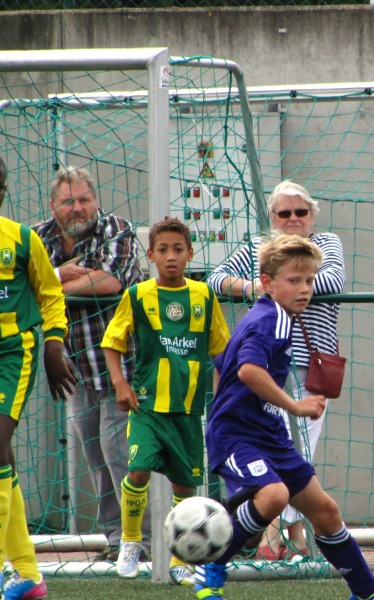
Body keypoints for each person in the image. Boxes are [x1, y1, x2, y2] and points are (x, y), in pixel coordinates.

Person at [197, 233, 374, 600]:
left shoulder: (273, 316)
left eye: (309, 280)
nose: (305, 289)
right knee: (274, 495)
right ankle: (210, 564)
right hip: (238, 436)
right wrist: (294, 406)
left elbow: (224, 366)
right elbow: (249, 371)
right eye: (294, 280)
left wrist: (234, 402)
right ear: (266, 283)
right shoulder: (272, 320)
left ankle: (368, 593)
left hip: (266, 434)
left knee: (326, 512)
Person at [207, 179, 345, 558]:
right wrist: (259, 286)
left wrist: (290, 278)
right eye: (284, 213)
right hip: (268, 365)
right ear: (272, 217)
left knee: (301, 455)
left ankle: (285, 533)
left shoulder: (326, 243)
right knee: (281, 453)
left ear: (312, 214)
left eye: (301, 211)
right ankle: (274, 534)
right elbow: (215, 278)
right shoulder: (258, 249)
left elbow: (333, 279)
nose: (293, 219)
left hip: (309, 366)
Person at [101, 217, 230, 584]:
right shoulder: (138, 296)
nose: (170, 257)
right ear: (151, 255)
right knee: (138, 469)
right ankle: (130, 542)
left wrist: (221, 397)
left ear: (189, 253)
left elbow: (222, 352)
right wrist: (120, 384)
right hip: (146, 405)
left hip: (187, 411)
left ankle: (180, 561)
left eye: (177, 249)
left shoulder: (204, 296)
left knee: (185, 489)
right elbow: (113, 342)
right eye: (163, 250)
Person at [32, 166, 147, 563]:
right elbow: (24, 285)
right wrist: (60, 275)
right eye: (68, 202)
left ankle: (143, 541)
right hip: (75, 368)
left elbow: (110, 282)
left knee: (123, 454)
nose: (77, 209)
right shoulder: (37, 236)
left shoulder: (117, 229)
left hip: (124, 366)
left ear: (94, 200)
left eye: (84, 200)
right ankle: (117, 539)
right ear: (53, 206)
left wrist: (50, 283)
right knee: (96, 458)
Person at [0, 156, 77, 600]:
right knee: (3, 457)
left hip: (15, 353)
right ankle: (28, 574)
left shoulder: (22, 239)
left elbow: (50, 294)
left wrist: (53, 344)